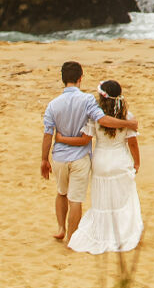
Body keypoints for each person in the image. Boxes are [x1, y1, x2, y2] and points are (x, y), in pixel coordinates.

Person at [41, 61, 137, 244]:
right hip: (80, 158)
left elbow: (47, 134)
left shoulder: (52, 105)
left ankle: (61, 228)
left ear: (63, 79)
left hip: (60, 157)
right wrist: (128, 124)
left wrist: (44, 159)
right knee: (75, 200)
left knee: (61, 193)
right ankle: (72, 237)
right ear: (80, 78)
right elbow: (103, 120)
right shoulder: (87, 100)